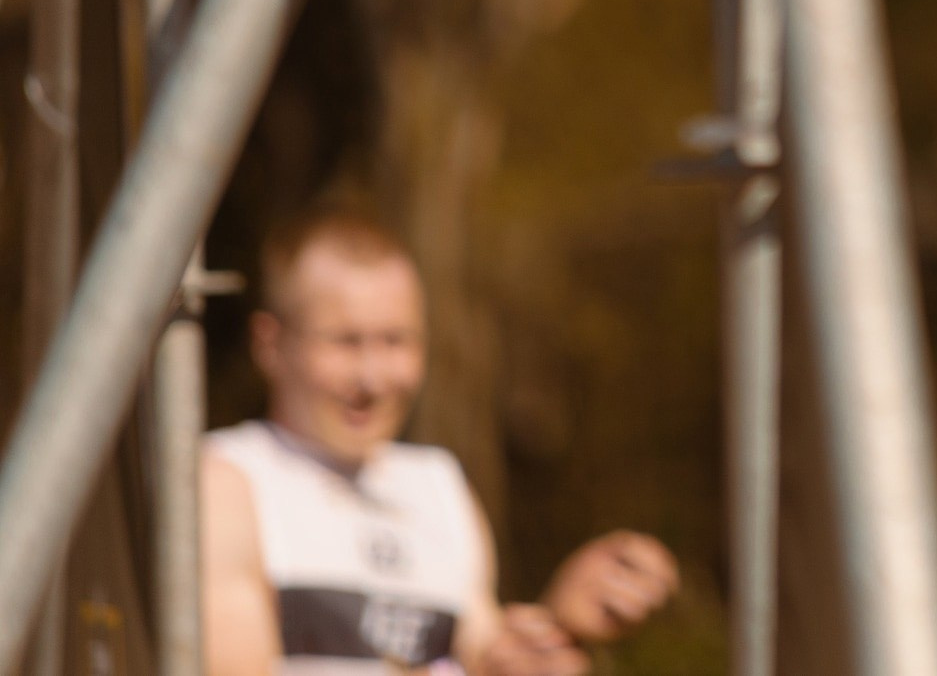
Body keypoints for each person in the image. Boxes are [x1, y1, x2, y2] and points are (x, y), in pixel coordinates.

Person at [202, 206, 679, 676]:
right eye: (345, 341)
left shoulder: (439, 487)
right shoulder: (224, 481)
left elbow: (485, 663)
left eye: (395, 340)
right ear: (269, 344)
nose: (372, 378)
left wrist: (558, 625)